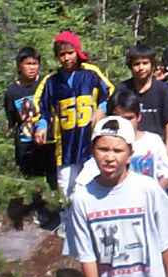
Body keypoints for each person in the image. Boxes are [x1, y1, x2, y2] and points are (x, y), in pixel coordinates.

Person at [71, 116, 168, 277]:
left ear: (130, 155)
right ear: (93, 151)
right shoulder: (83, 198)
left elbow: (166, 242)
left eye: (118, 150)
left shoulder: (147, 189)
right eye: (103, 149)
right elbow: (86, 257)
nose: (110, 157)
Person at [33, 31, 114, 200]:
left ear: (77, 51)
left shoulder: (90, 73)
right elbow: (41, 107)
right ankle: (67, 222)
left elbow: (110, 92)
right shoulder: (51, 82)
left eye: (70, 53)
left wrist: (102, 108)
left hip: (90, 140)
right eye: (62, 54)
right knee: (67, 186)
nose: (67, 58)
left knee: (92, 182)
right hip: (66, 144)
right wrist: (41, 126)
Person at [76, 90, 168, 189]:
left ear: (139, 116)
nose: (123, 123)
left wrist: (153, 196)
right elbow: (83, 181)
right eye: (117, 118)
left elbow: (167, 173)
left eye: (128, 118)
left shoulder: (153, 141)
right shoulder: (106, 145)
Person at [4, 47, 57, 189]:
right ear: (19, 66)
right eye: (28, 64)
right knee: (32, 183)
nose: (32, 68)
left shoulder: (47, 84)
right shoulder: (12, 92)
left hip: (49, 140)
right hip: (26, 143)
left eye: (35, 64)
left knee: (55, 179)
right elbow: (12, 117)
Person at [115, 44, 168, 152]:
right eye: (136, 64)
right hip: (126, 145)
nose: (141, 68)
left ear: (152, 65)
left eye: (145, 63)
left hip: (155, 146)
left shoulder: (161, 89)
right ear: (130, 66)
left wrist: (166, 148)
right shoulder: (122, 89)